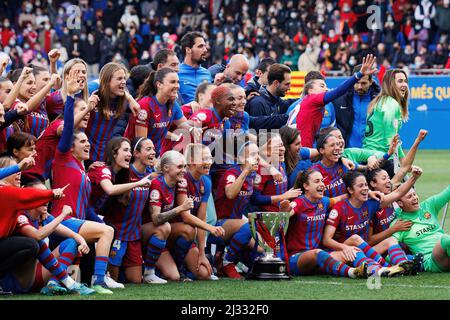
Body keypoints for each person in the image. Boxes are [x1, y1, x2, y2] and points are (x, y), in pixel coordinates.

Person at [50, 90, 120, 294]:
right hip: (62, 222)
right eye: (82, 141)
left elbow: (85, 205)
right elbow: (68, 128)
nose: (88, 144)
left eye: (88, 141)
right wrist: (71, 97)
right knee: (107, 232)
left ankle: (56, 283)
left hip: (76, 226)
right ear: (70, 147)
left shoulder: (83, 170)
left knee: (74, 273)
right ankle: (100, 280)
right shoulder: (62, 158)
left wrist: (99, 222)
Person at [322, 170, 423, 276]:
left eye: (366, 185)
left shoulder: (370, 204)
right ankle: (388, 268)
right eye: (360, 185)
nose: (365, 188)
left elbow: (398, 193)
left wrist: (414, 177)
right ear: (350, 190)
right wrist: (345, 247)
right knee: (355, 239)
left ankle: (403, 264)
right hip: (345, 252)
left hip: (367, 251)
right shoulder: (340, 208)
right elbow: (326, 240)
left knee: (391, 241)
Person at [278, 169, 367, 278]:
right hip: (296, 259)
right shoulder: (299, 202)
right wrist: (284, 211)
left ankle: (377, 270)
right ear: (306, 186)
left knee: (354, 252)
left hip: (319, 258)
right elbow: (288, 212)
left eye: (322, 181)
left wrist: (366, 192)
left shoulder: (324, 201)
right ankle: (352, 272)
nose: (322, 184)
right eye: (317, 181)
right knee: (318, 253)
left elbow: (340, 198)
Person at [21, 68, 94, 185]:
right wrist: (70, 94)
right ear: (69, 111)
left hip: (40, 177)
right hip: (30, 174)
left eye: (87, 110)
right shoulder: (58, 124)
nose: (87, 112)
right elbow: (66, 130)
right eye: (83, 109)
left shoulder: (73, 134)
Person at [98, 137, 154, 283]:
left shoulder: (151, 173)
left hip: (134, 234)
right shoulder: (123, 172)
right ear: (137, 153)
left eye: (154, 149)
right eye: (148, 149)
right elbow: (108, 190)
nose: (153, 152)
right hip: (117, 232)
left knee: (135, 280)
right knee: (113, 279)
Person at [208, 137, 263, 279]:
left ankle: (229, 259)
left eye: (257, 154)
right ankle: (228, 260)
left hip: (238, 228)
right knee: (250, 225)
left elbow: (255, 199)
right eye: (252, 155)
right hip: (220, 225)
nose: (256, 158)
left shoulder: (253, 176)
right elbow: (230, 194)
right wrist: (245, 172)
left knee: (261, 255)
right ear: (240, 158)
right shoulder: (232, 173)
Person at [297, 54, 377, 148]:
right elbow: (337, 91)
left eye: (326, 85)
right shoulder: (318, 100)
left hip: (367, 152)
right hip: (307, 154)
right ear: (310, 90)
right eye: (322, 86)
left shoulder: (379, 101)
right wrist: (358, 75)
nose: (326, 89)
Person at [170, 144, 225, 280]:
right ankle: (178, 268)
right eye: (204, 158)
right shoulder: (183, 179)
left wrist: (201, 253)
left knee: (204, 274)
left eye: (210, 158)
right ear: (192, 161)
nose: (209, 162)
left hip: (187, 235)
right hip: (170, 230)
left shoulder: (206, 182)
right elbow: (186, 217)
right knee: (189, 229)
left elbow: (202, 218)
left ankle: (184, 269)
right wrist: (211, 228)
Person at [141, 151, 194, 284]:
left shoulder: (178, 182)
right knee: (164, 226)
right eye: (180, 167)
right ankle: (148, 272)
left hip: (160, 235)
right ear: (166, 168)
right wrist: (181, 208)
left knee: (174, 276)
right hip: (143, 233)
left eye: (185, 167)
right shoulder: (157, 184)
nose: (184, 171)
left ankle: (175, 268)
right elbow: (156, 219)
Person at [124, 68, 200, 157]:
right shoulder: (145, 105)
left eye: (178, 82)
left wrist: (192, 129)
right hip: (136, 157)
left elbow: (182, 123)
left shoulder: (172, 104)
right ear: (159, 84)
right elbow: (141, 143)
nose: (177, 86)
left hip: (153, 155)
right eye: (173, 82)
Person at [85, 62, 140, 163]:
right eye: (119, 79)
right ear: (107, 81)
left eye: (124, 78)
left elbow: (138, 109)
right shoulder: (94, 96)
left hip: (107, 159)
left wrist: (130, 98)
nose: (123, 81)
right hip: (87, 156)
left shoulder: (123, 100)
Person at [392, 183, 450, 273]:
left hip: (447, 251)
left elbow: (447, 192)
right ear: (400, 203)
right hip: (432, 260)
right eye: (409, 196)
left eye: (414, 194)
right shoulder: (399, 223)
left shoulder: (428, 205)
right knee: (445, 239)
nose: (415, 198)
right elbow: (391, 245)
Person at [363, 69, 409, 161]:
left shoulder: (379, 101)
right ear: (390, 84)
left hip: (369, 155)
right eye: (400, 81)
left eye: (405, 81)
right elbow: (391, 141)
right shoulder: (391, 104)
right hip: (382, 157)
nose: (404, 85)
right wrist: (403, 163)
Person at [333, 64, 381, 148]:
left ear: (370, 82)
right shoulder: (339, 98)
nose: (359, 87)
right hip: (347, 153)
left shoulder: (380, 100)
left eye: (363, 83)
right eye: (357, 83)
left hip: (371, 152)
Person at [252, 132, 302, 212]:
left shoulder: (281, 163)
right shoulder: (260, 170)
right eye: (276, 147)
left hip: (282, 216)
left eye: (282, 145)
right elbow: (255, 199)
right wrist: (283, 196)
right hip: (267, 219)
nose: (282, 149)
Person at [245, 64, 294, 131]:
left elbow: (288, 103)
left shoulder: (276, 99)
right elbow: (257, 135)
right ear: (276, 83)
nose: (289, 88)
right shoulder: (257, 103)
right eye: (287, 84)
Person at [178, 32, 211, 104]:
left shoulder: (207, 73)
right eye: (200, 46)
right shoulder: (176, 72)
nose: (205, 50)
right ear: (188, 50)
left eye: (205, 46)